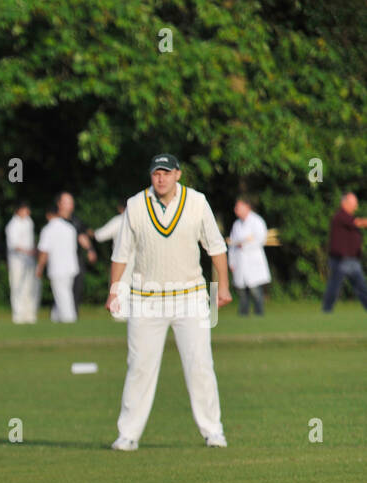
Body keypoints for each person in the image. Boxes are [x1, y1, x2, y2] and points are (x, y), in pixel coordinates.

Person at [106, 153, 231, 451]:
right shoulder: (136, 205)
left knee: (200, 364)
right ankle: (128, 434)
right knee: (139, 367)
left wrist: (222, 286)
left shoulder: (197, 202)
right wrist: (114, 291)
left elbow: (216, 247)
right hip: (146, 299)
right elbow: (121, 253)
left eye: (165, 173)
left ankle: (213, 430)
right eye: (155, 174)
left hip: (190, 297)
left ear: (177, 174)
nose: (160, 178)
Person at [320, 192, 367, 313]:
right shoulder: (340, 216)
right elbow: (358, 222)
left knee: (361, 287)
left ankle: (327, 310)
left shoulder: (347, 217)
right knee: (334, 286)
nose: (355, 207)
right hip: (341, 260)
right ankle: (327, 310)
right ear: (345, 203)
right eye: (354, 204)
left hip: (352, 260)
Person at [35, 205, 79, 322]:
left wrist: (39, 267)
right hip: (71, 267)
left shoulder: (48, 229)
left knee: (63, 295)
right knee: (63, 294)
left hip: (57, 267)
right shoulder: (70, 228)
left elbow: (44, 251)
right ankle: (55, 319)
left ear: (48, 215)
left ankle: (69, 319)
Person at [228, 199, 271, 316]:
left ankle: (259, 313)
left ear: (247, 207)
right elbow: (232, 244)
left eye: (238, 207)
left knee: (255, 291)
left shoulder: (257, 221)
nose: (236, 210)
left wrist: (244, 245)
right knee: (242, 291)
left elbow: (261, 239)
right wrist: (231, 261)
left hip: (253, 261)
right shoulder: (236, 225)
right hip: (240, 262)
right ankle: (243, 314)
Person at [57, 192, 98, 308]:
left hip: (75, 260)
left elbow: (83, 236)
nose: (70, 205)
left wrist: (90, 248)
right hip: (59, 261)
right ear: (59, 204)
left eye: (71, 202)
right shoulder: (55, 222)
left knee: (76, 289)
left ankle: (72, 314)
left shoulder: (76, 221)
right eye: (66, 202)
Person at [4, 202, 38, 324]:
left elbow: (31, 239)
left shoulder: (29, 221)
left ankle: (29, 314)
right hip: (17, 262)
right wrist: (28, 251)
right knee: (17, 286)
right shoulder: (12, 225)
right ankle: (18, 315)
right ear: (18, 211)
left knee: (30, 287)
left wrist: (33, 250)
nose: (27, 213)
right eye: (24, 210)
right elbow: (13, 245)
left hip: (30, 261)